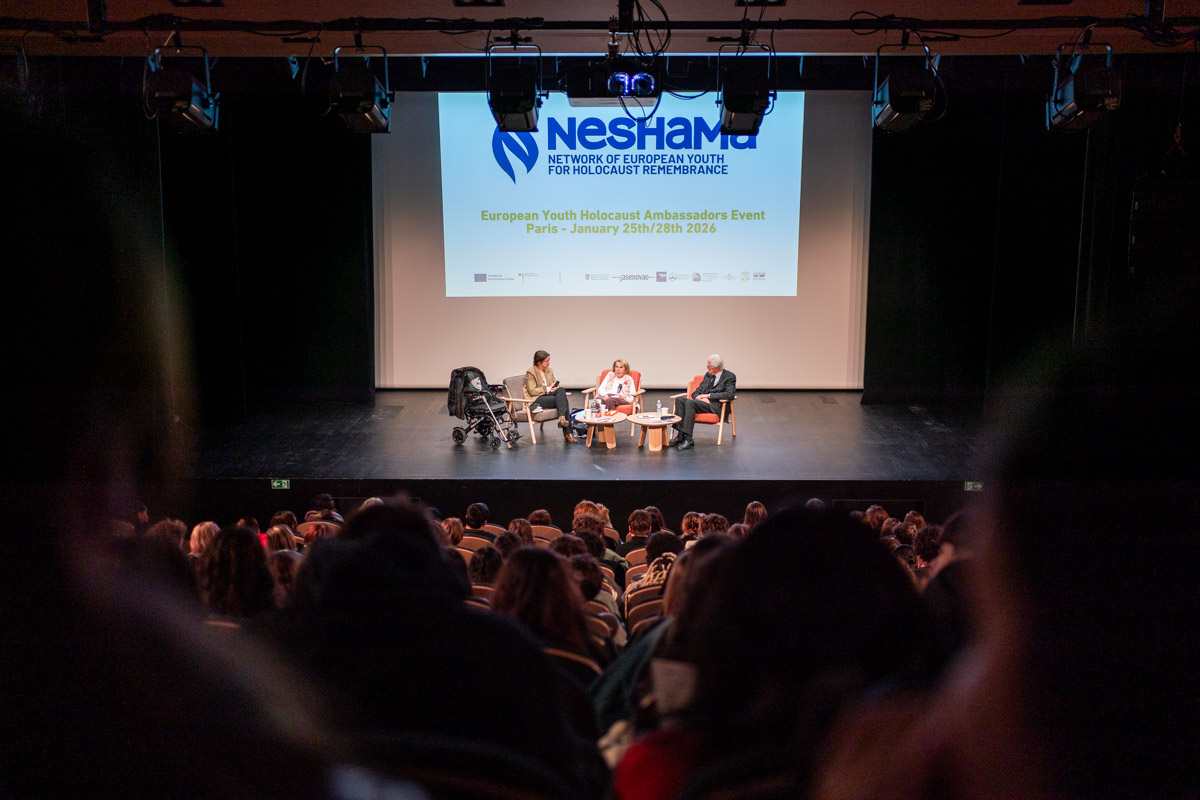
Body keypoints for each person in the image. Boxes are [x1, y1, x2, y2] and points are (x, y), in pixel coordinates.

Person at [671, 354, 736, 451]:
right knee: (680, 400)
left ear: (717, 367)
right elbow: (697, 391)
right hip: (702, 403)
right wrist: (699, 397)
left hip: (716, 405)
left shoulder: (729, 377)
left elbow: (729, 395)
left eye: (709, 366)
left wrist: (708, 396)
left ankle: (688, 439)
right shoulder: (708, 375)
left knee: (690, 403)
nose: (706, 367)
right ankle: (680, 436)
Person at [524, 349, 576, 443]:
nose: (549, 362)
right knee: (563, 401)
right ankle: (568, 433)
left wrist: (555, 388)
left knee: (561, 390)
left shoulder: (549, 370)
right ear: (539, 362)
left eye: (549, 360)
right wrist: (548, 389)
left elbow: (554, 383)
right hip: (536, 399)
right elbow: (532, 391)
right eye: (546, 361)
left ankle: (562, 418)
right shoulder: (531, 372)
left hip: (548, 395)